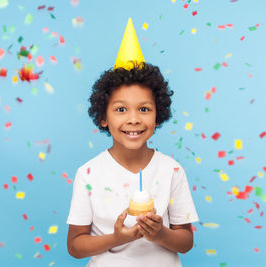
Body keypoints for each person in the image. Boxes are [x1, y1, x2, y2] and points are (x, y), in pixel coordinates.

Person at [66, 18, 199, 267]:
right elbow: (75, 245)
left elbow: (186, 241)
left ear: (158, 115)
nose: (134, 119)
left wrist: (160, 234)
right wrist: (115, 238)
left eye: (144, 109)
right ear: (104, 117)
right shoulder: (88, 173)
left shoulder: (172, 170)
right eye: (121, 109)